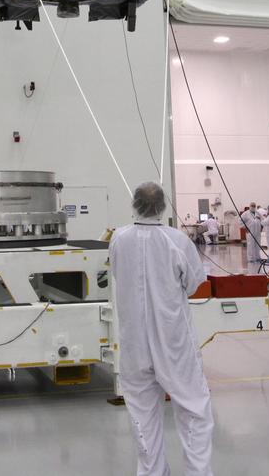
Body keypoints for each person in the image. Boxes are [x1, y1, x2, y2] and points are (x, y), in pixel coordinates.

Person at [110, 181, 214, 476]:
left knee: (142, 415)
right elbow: (194, 283)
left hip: (134, 344)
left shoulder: (119, 239)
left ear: (134, 204)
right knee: (194, 410)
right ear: (164, 206)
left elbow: (119, 274)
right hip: (173, 342)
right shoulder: (177, 241)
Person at [239, 204, 265, 270]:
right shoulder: (245, 214)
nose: (253, 207)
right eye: (252, 206)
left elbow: (263, 220)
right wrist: (245, 228)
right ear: (250, 206)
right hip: (250, 231)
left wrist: (262, 227)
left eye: (254, 206)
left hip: (257, 231)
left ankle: (257, 257)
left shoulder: (258, 213)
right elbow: (240, 221)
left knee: (257, 244)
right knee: (250, 245)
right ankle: (250, 259)